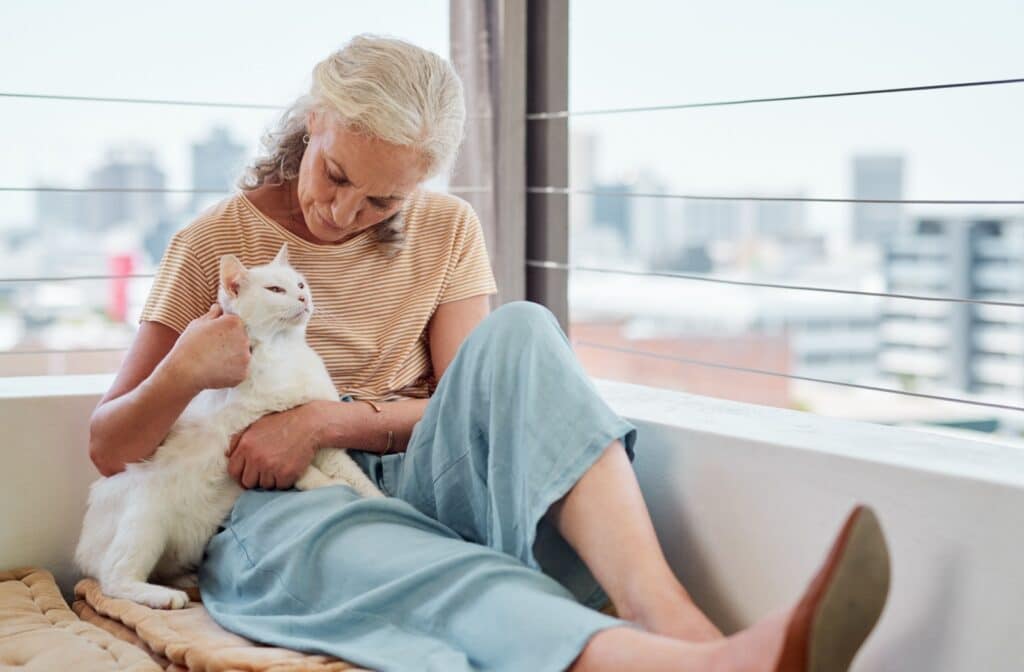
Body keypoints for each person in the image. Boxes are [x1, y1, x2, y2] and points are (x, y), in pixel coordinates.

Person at [87, 35, 890, 672]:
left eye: (383, 199)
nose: (344, 212)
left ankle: (671, 618)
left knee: (524, 330)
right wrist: (187, 369)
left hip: (404, 464)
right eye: (335, 175)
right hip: (272, 503)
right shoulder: (215, 246)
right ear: (314, 119)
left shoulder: (446, 231)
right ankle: (685, 669)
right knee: (402, 558)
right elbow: (109, 446)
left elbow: (467, 400)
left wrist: (328, 421)